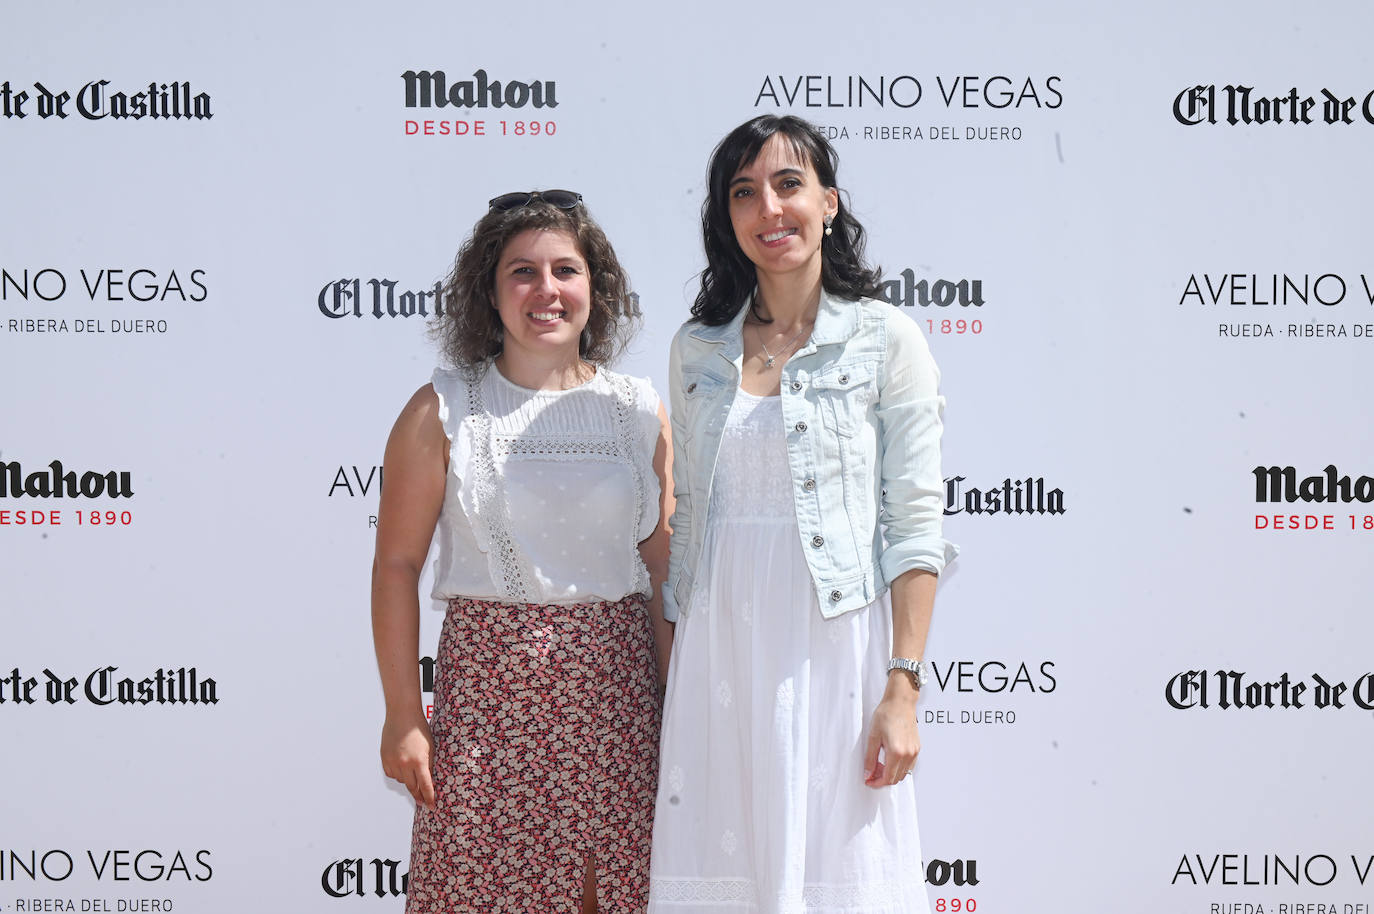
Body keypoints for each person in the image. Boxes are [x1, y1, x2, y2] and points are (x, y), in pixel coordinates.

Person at [648, 116, 957, 913]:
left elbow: (916, 524)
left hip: (831, 646)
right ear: (727, 217)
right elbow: (685, 523)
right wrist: (675, 664)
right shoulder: (697, 349)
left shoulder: (887, 339)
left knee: (835, 877)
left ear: (828, 201)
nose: (768, 208)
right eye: (744, 192)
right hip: (720, 648)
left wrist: (903, 689)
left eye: (788, 184)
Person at [371, 189, 673, 913]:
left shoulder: (638, 409)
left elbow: (665, 570)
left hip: (617, 703)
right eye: (523, 272)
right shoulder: (440, 409)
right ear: (491, 290)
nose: (547, 290)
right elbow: (396, 567)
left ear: (594, 290)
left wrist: (680, 712)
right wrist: (404, 715)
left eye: (566, 270)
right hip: (488, 705)